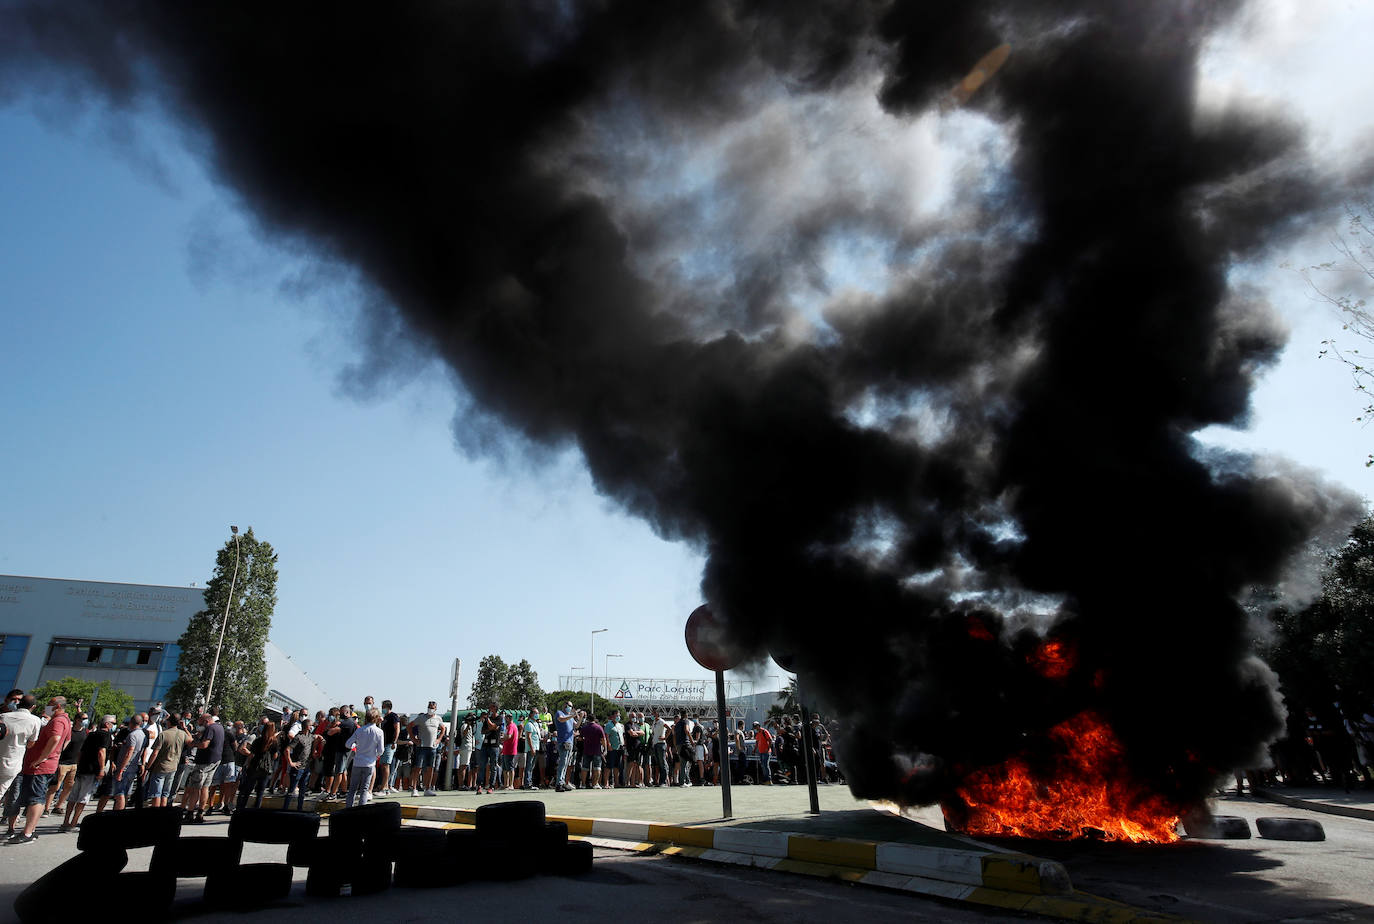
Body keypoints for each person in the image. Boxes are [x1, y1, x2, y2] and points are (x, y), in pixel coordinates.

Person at [5, 695, 70, 844]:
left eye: (50, 703)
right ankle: (30, 830)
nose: (47, 706)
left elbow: (56, 738)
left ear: (57, 706)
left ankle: (27, 833)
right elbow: (66, 740)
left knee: (36, 799)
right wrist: (54, 755)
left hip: (40, 767)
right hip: (45, 765)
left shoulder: (58, 721)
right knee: (38, 798)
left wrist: (42, 758)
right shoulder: (64, 720)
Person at [62, 714, 114, 832]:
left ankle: (66, 821)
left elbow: (81, 751)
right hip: (91, 770)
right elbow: (101, 752)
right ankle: (73, 823)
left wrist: (79, 764)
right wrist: (101, 769)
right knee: (83, 797)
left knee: (73, 796)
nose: (114, 726)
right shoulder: (106, 736)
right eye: (113, 723)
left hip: (82, 767)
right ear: (107, 724)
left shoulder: (91, 734)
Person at [0, 694, 41, 810]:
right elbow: (31, 743)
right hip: (13, 762)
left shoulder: (3, 716)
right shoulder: (35, 720)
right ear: (33, 707)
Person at [183, 712, 224, 823]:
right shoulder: (220, 728)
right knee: (205, 787)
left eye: (200, 723)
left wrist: (193, 744)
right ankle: (200, 813)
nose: (200, 725)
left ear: (206, 721)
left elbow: (204, 744)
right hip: (214, 761)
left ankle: (190, 813)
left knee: (195, 788)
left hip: (204, 762)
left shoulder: (210, 728)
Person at [43, 712, 86, 817]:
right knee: (55, 787)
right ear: (77, 720)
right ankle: (46, 808)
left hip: (74, 764)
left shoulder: (84, 732)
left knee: (69, 787)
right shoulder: (69, 731)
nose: (85, 721)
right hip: (62, 763)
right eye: (83, 719)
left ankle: (58, 806)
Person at [144, 716, 189, 808]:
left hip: (160, 767)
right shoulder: (182, 734)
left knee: (156, 793)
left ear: (169, 722)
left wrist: (148, 767)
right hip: (173, 767)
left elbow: (155, 753)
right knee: (165, 793)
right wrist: (185, 728)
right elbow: (191, 740)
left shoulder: (163, 734)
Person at [345, 709, 385, 808]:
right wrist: (375, 755)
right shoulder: (379, 732)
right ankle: (361, 810)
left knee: (352, 789)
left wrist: (355, 745)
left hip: (357, 762)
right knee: (364, 789)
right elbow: (381, 750)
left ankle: (348, 809)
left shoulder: (359, 730)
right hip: (370, 763)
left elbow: (348, 744)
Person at [236, 720, 278, 811]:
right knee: (260, 792)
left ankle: (241, 809)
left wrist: (248, 765)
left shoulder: (258, 740)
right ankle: (256, 810)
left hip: (255, 766)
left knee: (247, 790)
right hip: (266, 769)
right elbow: (275, 756)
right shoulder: (274, 742)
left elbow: (252, 754)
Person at [412, 701, 445, 797]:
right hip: (421, 747)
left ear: (436, 709)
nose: (430, 709)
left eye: (432, 707)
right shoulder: (421, 718)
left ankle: (427, 789)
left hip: (432, 747)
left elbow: (443, 729)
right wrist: (414, 739)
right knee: (418, 768)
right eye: (429, 707)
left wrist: (439, 739)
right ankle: (414, 789)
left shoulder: (438, 718)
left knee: (430, 768)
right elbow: (410, 726)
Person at [376, 700, 399, 796]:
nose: (382, 708)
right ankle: (384, 786)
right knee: (382, 765)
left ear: (388, 707)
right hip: (383, 744)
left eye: (383, 706)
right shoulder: (384, 717)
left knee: (386, 765)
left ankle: (385, 788)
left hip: (390, 743)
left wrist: (394, 741)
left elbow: (397, 728)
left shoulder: (393, 716)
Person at [579, 712, 606, 789]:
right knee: (597, 767)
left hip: (586, 750)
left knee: (584, 768)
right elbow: (603, 739)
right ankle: (595, 784)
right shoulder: (599, 727)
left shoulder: (584, 728)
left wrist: (585, 739)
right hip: (597, 750)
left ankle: (583, 784)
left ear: (588, 719)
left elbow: (580, 738)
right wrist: (605, 749)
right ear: (594, 719)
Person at [554, 700, 576, 792]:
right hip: (563, 742)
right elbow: (561, 719)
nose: (570, 707)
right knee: (562, 763)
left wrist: (580, 716)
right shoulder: (560, 713)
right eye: (569, 705)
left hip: (570, 742)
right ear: (564, 705)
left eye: (571, 706)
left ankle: (562, 782)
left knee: (566, 763)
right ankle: (559, 783)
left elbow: (576, 725)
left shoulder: (570, 717)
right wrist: (572, 715)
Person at [603, 709, 624, 789]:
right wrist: (609, 745)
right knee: (609, 766)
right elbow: (606, 736)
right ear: (612, 716)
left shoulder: (620, 725)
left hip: (620, 748)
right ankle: (606, 783)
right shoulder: (608, 725)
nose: (618, 717)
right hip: (612, 748)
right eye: (616, 715)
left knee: (617, 766)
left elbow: (622, 735)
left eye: (619, 715)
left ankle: (616, 783)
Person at [523, 711, 543, 790]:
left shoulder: (536, 724)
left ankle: (529, 782)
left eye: (538, 713)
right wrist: (532, 748)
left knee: (532, 766)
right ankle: (527, 784)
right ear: (531, 714)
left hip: (536, 747)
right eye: (535, 713)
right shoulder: (529, 724)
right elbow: (529, 737)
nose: (537, 714)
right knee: (529, 766)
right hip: (532, 748)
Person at [500, 712, 519, 791]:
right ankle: (506, 784)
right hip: (506, 750)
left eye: (506, 718)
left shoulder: (511, 726)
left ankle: (511, 785)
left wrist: (501, 739)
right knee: (505, 769)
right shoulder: (509, 726)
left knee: (510, 768)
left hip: (510, 750)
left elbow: (509, 736)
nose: (505, 719)